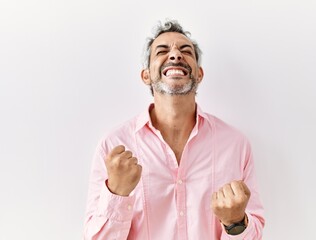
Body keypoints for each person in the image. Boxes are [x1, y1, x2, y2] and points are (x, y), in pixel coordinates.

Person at [83, 19, 265, 240]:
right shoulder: (113, 146)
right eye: (162, 50)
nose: (175, 55)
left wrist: (235, 224)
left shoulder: (236, 145)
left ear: (199, 73)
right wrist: (117, 194)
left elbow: (254, 233)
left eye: (185, 50)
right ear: (146, 75)